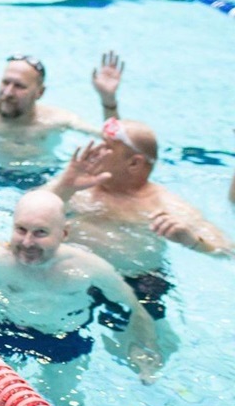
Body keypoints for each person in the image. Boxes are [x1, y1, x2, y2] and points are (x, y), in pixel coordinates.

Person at [0, 190, 162, 381]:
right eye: (21, 230)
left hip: (64, 338)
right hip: (1, 332)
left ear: (64, 233)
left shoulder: (90, 267)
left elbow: (134, 308)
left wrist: (144, 350)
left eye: (40, 232)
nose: (27, 242)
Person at [43, 123, 232, 316]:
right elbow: (31, 213)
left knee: (147, 334)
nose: (96, 151)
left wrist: (190, 241)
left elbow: (226, 250)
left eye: (106, 147)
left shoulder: (164, 205)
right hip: (72, 274)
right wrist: (64, 186)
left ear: (134, 163)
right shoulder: (78, 185)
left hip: (137, 284)